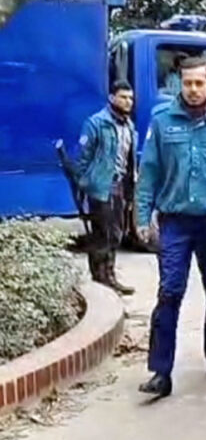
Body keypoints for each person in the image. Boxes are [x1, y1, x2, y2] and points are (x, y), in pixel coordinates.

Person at [135, 56, 206, 400]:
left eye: (200, 83)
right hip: (176, 222)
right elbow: (149, 172)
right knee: (170, 291)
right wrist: (141, 217)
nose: (194, 89)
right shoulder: (162, 121)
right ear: (179, 84)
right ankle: (161, 372)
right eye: (188, 83)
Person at [73, 80, 138, 296]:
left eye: (130, 98)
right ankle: (100, 278)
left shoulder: (129, 125)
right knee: (103, 234)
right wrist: (86, 183)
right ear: (112, 98)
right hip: (102, 186)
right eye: (123, 97)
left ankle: (108, 275)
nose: (128, 102)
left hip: (121, 185)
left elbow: (129, 160)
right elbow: (82, 158)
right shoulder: (96, 123)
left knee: (117, 233)